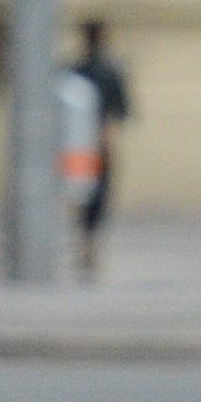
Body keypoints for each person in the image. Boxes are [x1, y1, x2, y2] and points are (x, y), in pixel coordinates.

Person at [69, 19, 132, 278]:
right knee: (99, 192)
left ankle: (85, 241)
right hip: (100, 141)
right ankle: (89, 243)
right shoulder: (109, 71)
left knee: (83, 191)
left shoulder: (76, 70)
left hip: (78, 141)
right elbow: (123, 111)